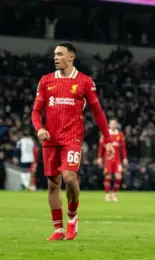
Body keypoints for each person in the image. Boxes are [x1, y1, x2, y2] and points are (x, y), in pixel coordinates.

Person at [31, 42, 115, 241]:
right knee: (53, 184)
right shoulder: (45, 81)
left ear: (71, 57)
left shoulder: (85, 82)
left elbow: (98, 112)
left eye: (60, 54)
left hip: (72, 138)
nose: (55, 57)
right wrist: (39, 128)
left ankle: (73, 217)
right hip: (50, 139)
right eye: (54, 54)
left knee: (69, 178)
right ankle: (58, 229)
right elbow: (36, 111)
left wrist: (108, 140)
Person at [97, 119, 128, 202]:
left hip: (117, 159)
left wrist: (125, 158)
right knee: (108, 176)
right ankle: (107, 194)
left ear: (116, 124)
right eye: (111, 123)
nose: (113, 125)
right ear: (109, 125)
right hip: (108, 158)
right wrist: (99, 157)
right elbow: (100, 146)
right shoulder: (105, 134)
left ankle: (114, 193)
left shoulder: (120, 134)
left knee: (119, 176)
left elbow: (123, 147)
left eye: (114, 123)